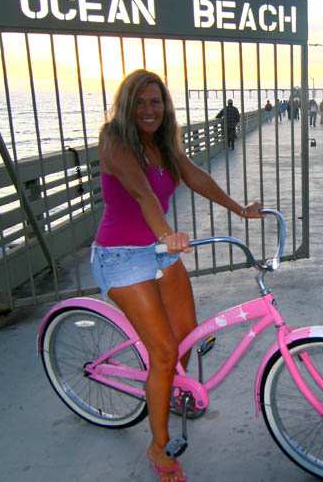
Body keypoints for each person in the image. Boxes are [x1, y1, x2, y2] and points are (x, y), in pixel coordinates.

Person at [92, 69, 262, 482]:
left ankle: (168, 391)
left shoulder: (163, 143)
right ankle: (158, 444)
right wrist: (167, 235)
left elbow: (194, 175)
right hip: (121, 257)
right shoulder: (115, 139)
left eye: (157, 101)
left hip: (158, 252)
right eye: (141, 102)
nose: (150, 110)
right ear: (128, 104)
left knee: (186, 334)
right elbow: (141, 193)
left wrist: (239, 208)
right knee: (165, 352)